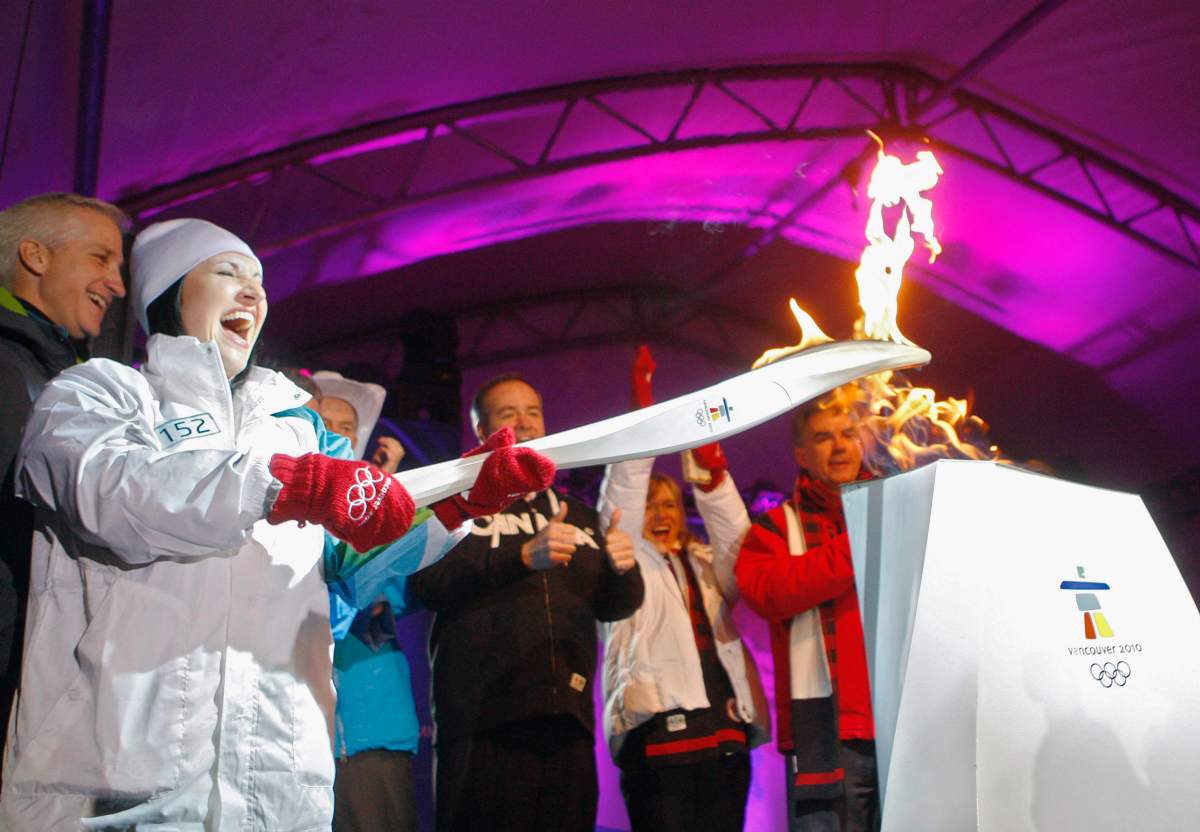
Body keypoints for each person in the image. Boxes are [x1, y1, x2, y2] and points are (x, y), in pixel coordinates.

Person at [0, 218, 555, 829]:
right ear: (168, 294)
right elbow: (107, 491)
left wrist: (451, 503)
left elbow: (351, 563)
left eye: (258, 281)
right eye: (226, 272)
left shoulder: (298, 428)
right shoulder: (99, 394)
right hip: (118, 778)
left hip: (277, 780)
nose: (252, 292)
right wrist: (290, 485)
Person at [408, 372, 644, 832]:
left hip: (567, 722)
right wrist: (520, 557)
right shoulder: (454, 506)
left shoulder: (576, 513)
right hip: (482, 723)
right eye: (508, 413)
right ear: (482, 431)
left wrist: (623, 570)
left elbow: (614, 606)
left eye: (534, 412)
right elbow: (426, 584)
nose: (526, 422)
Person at [599, 346, 770, 831]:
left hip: (724, 727)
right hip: (657, 734)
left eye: (670, 504)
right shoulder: (622, 564)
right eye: (651, 505)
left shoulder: (702, 564)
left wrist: (711, 474)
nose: (661, 514)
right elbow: (621, 506)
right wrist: (644, 422)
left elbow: (742, 549)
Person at [0, 193, 128, 767]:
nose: (117, 284)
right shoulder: (9, 364)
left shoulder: (58, 368)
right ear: (36, 256)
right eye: (101, 258)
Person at [735, 390, 879, 832]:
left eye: (848, 434)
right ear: (801, 453)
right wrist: (861, 536)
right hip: (830, 735)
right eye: (823, 437)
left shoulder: (895, 509)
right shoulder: (776, 528)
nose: (839, 446)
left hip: (905, 722)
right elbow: (770, 592)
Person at [309, 370, 420, 832]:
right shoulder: (271, 511)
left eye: (346, 428)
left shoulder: (390, 512)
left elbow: (379, 590)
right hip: (291, 736)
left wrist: (381, 495)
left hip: (371, 735)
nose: (335, 435)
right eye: (323, 423)